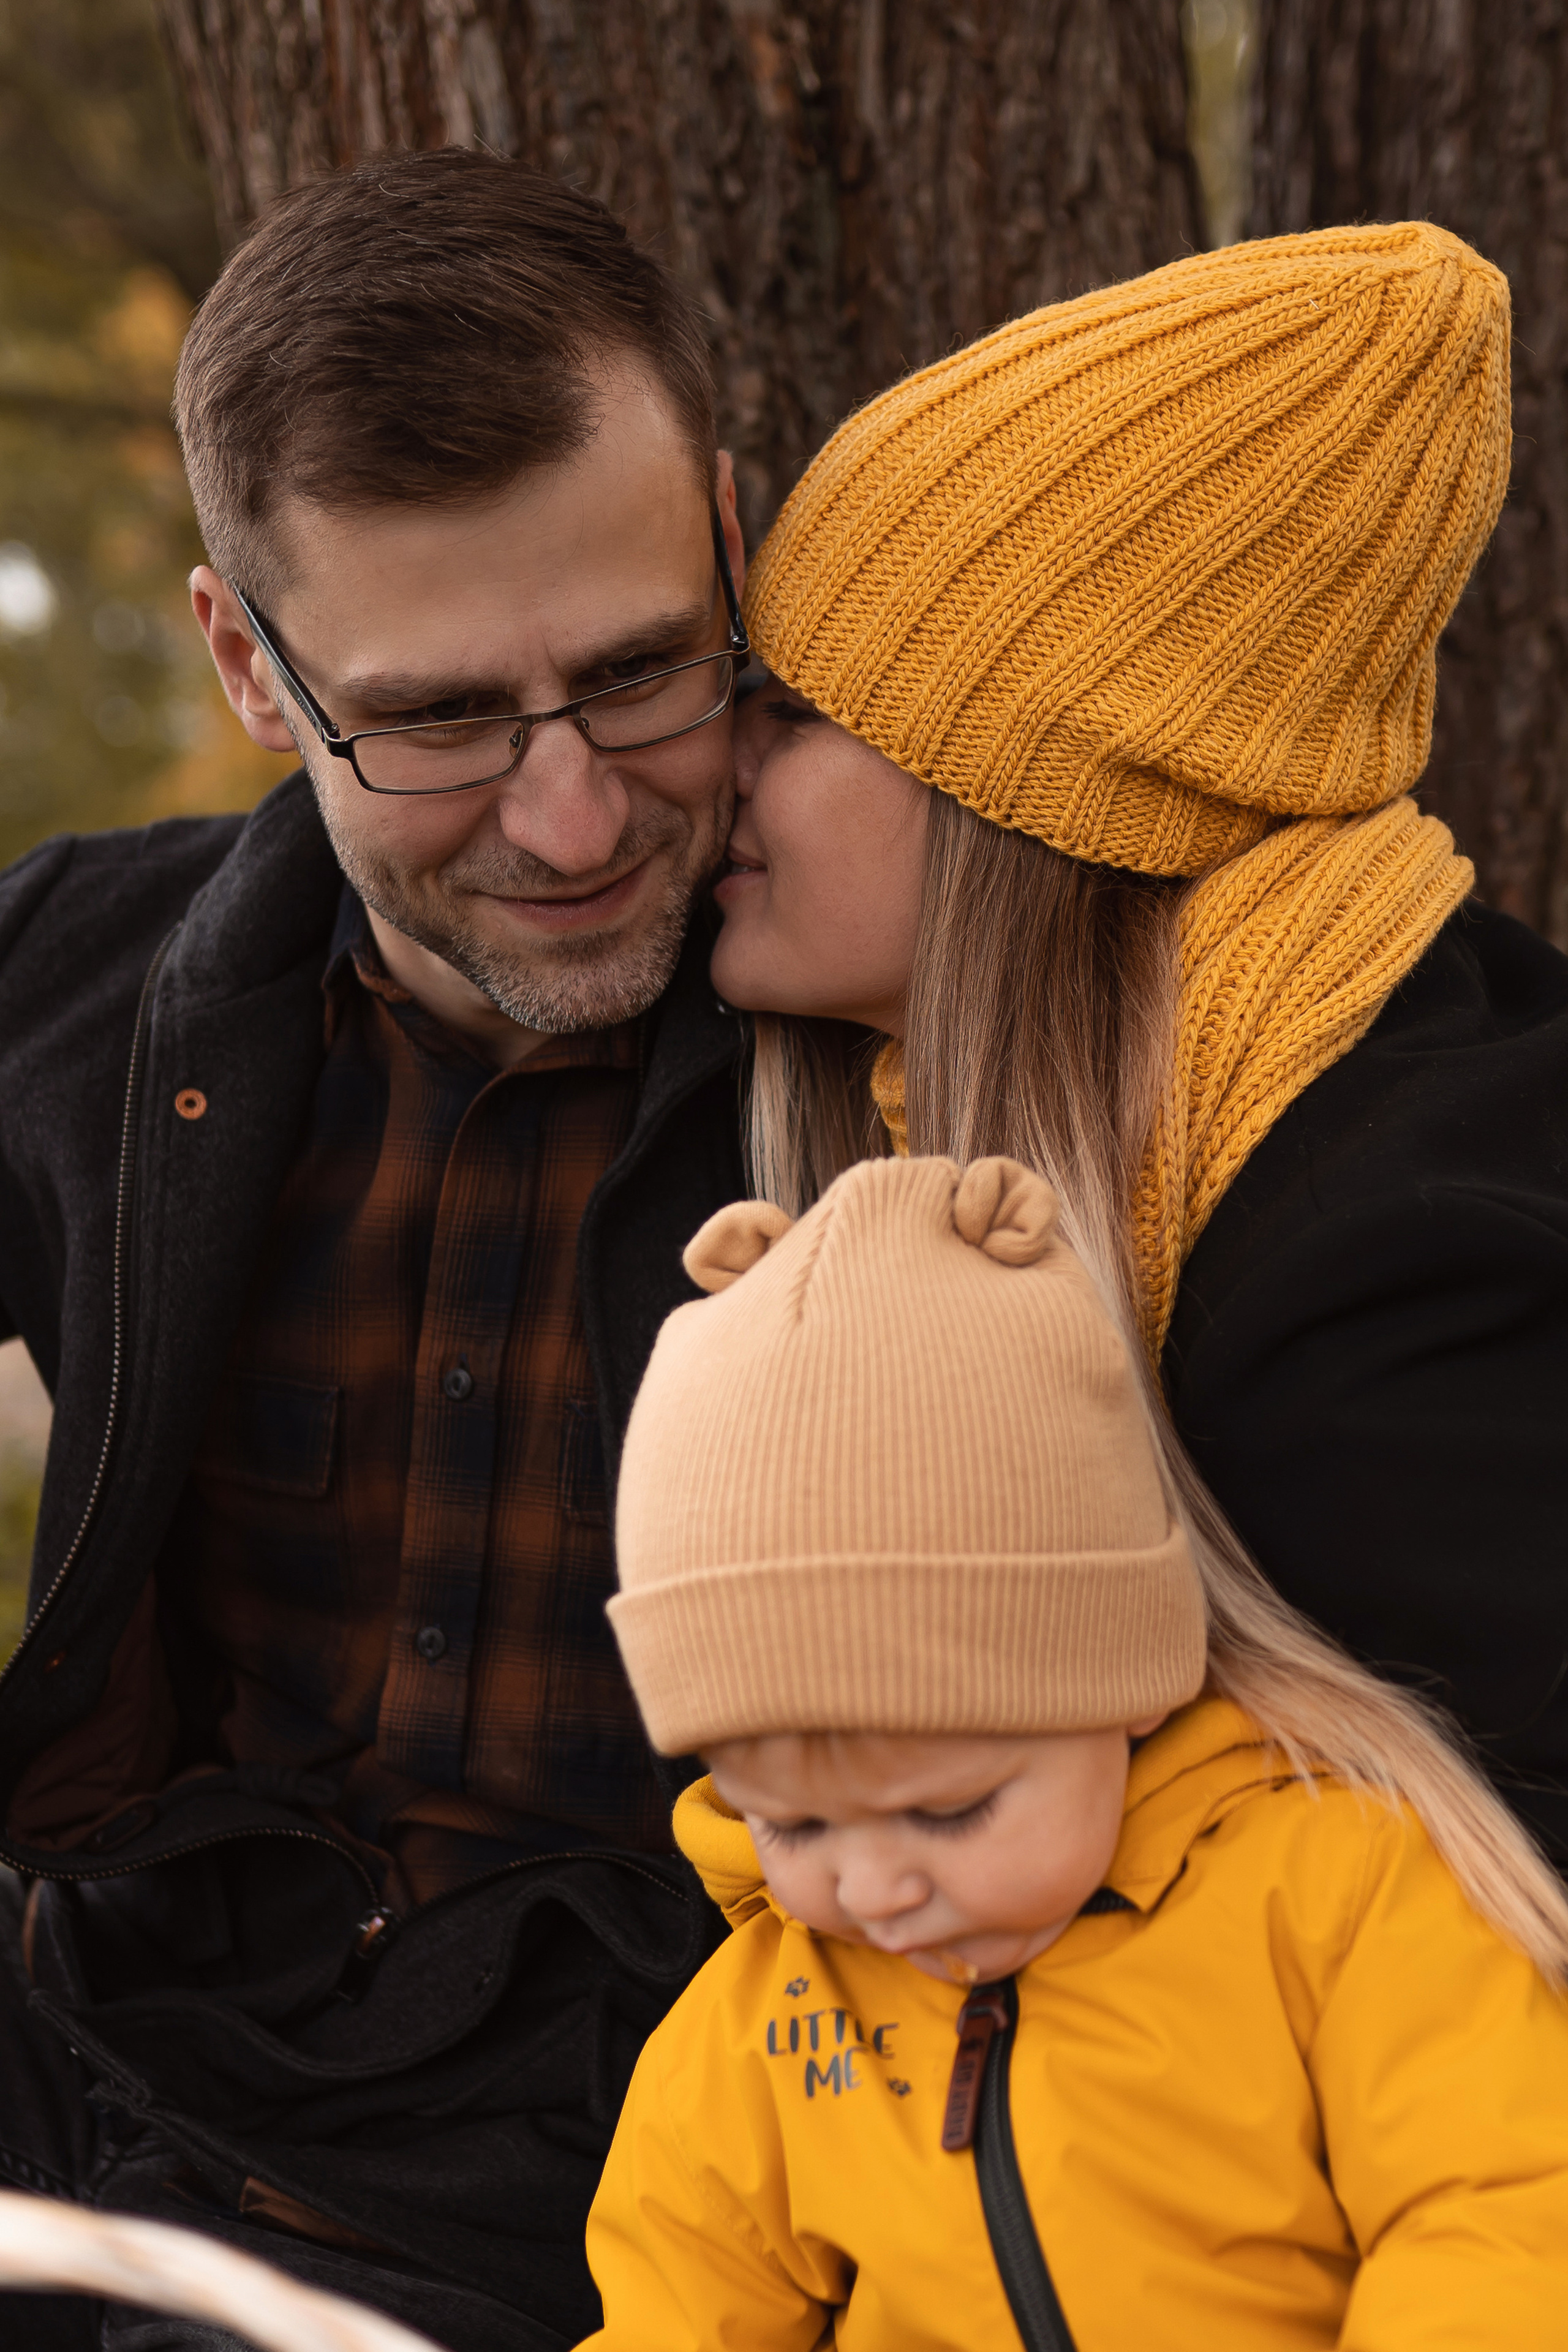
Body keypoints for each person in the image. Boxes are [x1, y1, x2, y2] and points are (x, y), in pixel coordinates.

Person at [0, 149, 755, 2351]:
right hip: (105, 2084)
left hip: (639, 2201)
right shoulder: (80, 985)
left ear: (729, 539)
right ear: (249, 659)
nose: (574, 818)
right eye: (434, 721)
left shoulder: (918, 1013)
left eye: (639, 675)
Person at [707, 221, 1568, 1861]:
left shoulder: (1398, 1291)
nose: (718, 761)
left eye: (797, 711)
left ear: (1040, 790)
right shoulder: (988, 1126)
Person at [584, 1152, 1568, 2350]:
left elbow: (1495, 2204)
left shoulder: (1328, 1893)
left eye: (948, 1814)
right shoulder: (769, 2017)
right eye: (791, 1826)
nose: (874, 1891)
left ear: (1128, 1686)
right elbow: (673, 2317)